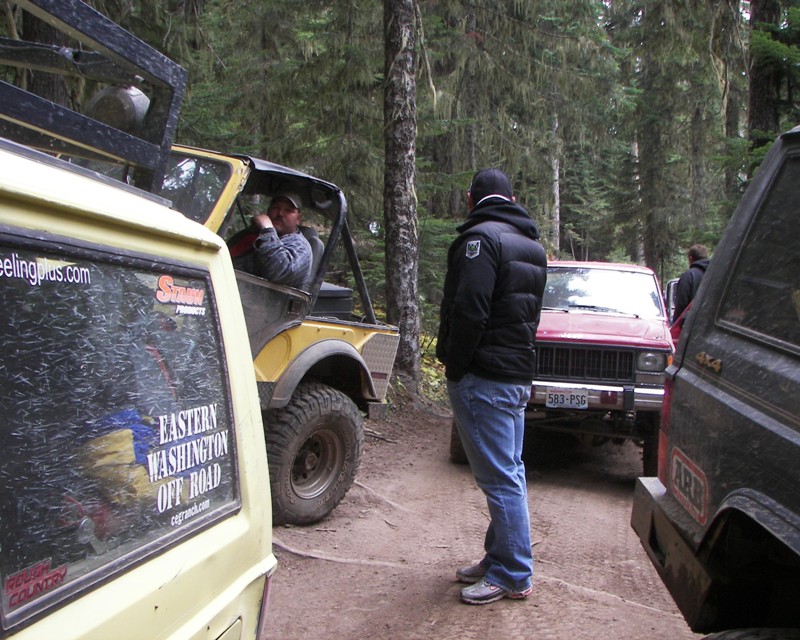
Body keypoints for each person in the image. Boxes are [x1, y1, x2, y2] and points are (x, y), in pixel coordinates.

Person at [436, 168, 547, 605]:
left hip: (485, 376)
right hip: (516, 374)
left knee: (501, 479)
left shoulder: (479, 240)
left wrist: (456, 365)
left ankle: (513, 574)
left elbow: (470, 309)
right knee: (510, 471)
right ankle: (499, 556)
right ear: (511, 197)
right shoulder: (532, 246)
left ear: (470, 199)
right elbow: (528, 315)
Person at [230, 192, 313, 290]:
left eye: (288, 210)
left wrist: (268, 229)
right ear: (268, 211)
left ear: (298, 218)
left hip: (261, 303)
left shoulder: (300, 246)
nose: (280, 214)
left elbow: (278, 272)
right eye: (276, 208)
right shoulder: (255, 234)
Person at [672, 244, 710, 325]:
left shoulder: (689, 276)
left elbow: (681, 305)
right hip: (709, 326)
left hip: (691, 326)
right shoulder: (714, 274)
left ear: (691, 258)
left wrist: (676, 325)